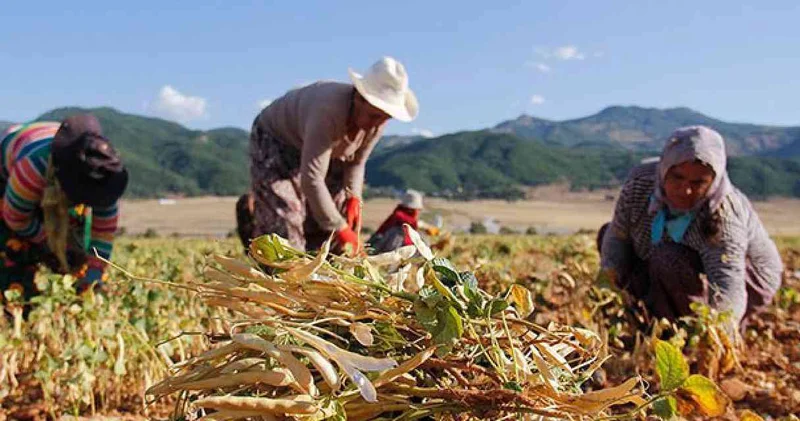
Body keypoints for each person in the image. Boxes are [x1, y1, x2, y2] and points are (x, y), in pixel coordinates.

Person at [598, 126, 782, 330]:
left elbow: (727, 284)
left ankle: (683, 332)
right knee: (607, 235)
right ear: (665, 169)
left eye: (698, 182)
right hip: (677, 260)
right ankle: (652, 319)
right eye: (677, 177)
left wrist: (716, 334)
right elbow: (617, 237)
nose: (685, 190)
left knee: (668, 259)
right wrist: (608, 290)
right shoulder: (639, 185)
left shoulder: (723, 216)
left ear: (713, 181)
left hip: (748, 277)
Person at [246, 56, 418, 255]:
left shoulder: (376, 123)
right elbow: (312, 179)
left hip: (323, 150)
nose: (377, 124)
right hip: (277, 140)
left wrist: (354, 197)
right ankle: (282, 271)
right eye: (374, 116)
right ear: (359, 99)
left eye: (384, 118)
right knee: (286, 218)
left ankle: (322, 269)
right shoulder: (327, 112)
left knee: (336, 209)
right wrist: (339, 227)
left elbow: (356, 163)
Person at [0, 114, 128, 304]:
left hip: (58, 168)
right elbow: (15, 217)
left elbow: (103, 231)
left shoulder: (104, 174)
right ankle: (16, 303)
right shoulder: (32, 167)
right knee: (14, 249)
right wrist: (47, 242)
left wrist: (93, 273)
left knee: (75, 247)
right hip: (8, 169)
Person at [368, 189, 438, 253]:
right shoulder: (398, 216)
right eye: (416, 210)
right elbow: (411, 222)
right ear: (411, 209)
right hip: (382, 243)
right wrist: (425, 227)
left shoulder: (402, 217)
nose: (417, 212)